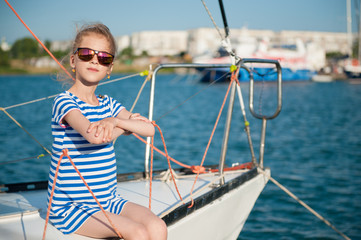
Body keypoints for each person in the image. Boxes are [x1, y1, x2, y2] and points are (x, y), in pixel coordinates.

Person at [47, 23, 167, 240]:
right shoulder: (64, 102)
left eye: (104, 57)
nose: (95, 60)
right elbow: (94, 136)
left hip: (108, 199)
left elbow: (149, 129)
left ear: (110, 68)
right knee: (137, 233)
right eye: (86, 54)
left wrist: (113, 121)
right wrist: (123, 125)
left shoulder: (109, 105)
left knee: (158, 227)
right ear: (73, 60)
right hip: (70, 206)